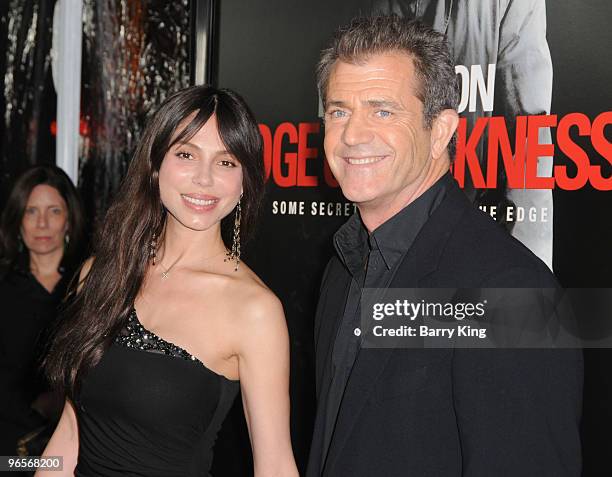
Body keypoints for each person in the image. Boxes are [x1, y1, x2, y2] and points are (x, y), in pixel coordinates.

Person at [307, 16, 582, 477]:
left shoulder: (511, 294)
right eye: (338, 111)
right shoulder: (345, 266)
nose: (352, 135)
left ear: (440, 131)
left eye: (382, 110)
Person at [37, 86, 299, 477]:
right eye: (186, 154)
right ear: (156, 162)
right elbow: (71, 431)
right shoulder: (101, 273)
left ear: (245, 181)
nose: (204, 179)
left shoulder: (253, 310)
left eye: (226, 162)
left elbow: (275, 464)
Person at [0, 165, 85, 464]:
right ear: (18, 221)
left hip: (78, 438)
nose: (43, 224)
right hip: (10, 443)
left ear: (69, 220)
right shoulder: (5, 285)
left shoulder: (90, 285)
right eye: (31, 212)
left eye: (54, 211)